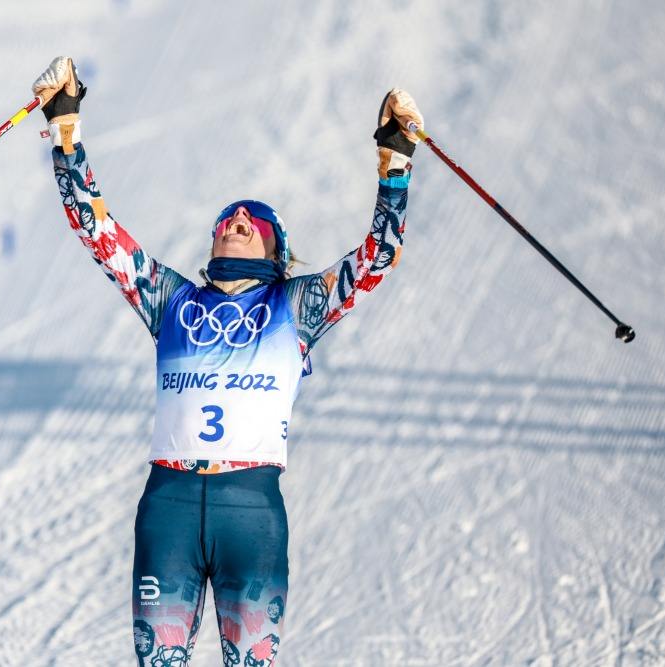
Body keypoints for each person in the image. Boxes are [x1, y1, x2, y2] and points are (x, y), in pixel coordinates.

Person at [32, 56, 422, 666]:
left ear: (277, 249)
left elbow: (377, 258)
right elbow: (97, 232)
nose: (237, 219)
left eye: (255, 219)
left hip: (251, 511)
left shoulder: (296, 305)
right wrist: (66, 129)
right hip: (169, 510)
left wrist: (395, 162)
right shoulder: (171, 299)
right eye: (227, 219)